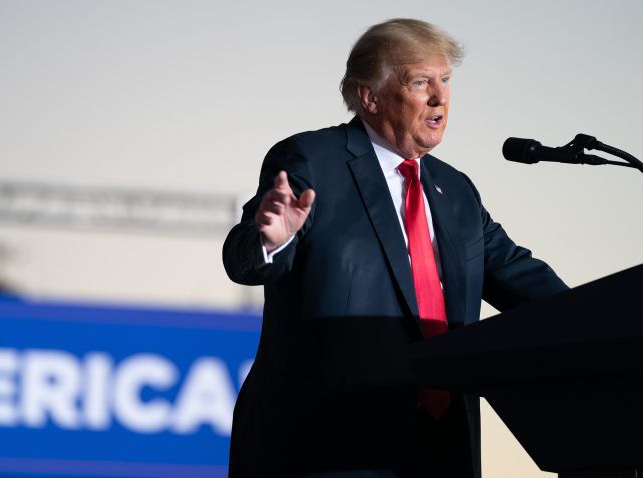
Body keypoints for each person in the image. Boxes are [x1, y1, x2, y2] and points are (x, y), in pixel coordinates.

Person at [222, 18, 568, 478]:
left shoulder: (455, 190)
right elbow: (245, 261)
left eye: (445, 81)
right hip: (328, 445)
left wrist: (614, 318)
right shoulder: (311, 161)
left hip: (441, 449)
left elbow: (518, 276)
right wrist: (271, 241)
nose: (440, 97)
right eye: (421, 82)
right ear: (370, 96)